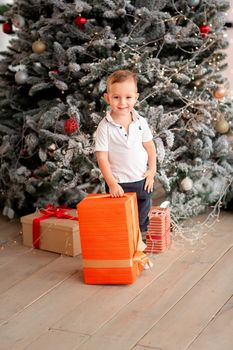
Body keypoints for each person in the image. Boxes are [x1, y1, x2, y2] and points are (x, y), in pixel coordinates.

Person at [95, 70, 156, 238]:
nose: (122, 102)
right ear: (108, 98)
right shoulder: (105, 127)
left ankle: (140, 245)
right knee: (120, 218)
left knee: (142, 216)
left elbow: (150, 147)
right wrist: (112, 183)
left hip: (141, 180)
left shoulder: (140, 122)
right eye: (116, 97)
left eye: (128, 97)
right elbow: (102, 157)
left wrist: (152, 171)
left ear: (136, 97)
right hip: (119, 183)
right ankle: (122, 249)